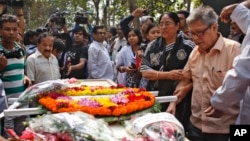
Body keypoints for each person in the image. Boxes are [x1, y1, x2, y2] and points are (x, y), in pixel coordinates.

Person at [166, 6, 241, 141]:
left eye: (199, 33)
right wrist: (173, 102)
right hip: (196, 127)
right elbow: (186, 79)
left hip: (226, 130)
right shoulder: (195, 52)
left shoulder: (234, 50)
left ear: (214, 27)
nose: (195, 38)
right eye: (191, 33)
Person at [140, 11, 195, 130]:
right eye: (161, 24)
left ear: (177, 25)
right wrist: (168, 75)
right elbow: (145, 71)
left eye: (168, 23)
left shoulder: (188, 46)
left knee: (173, 131)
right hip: (155, 96)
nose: (163, 27)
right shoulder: (153, 45)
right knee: (153, 130)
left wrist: (174, 100)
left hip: (178, 98)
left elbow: (189, 76)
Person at [205, 0, 250, 125]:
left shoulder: (234, 47)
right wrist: (239, 10)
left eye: (200, 32)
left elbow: (242, 73)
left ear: (214, 27)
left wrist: (219, 102)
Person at [0, 14, 31, 137]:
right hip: (5, 106)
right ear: (0, 30)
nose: (11, 32)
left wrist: (25, 77)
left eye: (14, 29)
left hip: (22, 101)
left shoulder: (21, 49)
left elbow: (22, 71)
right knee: (9, 137)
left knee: (25, 134)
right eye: (7, 29)